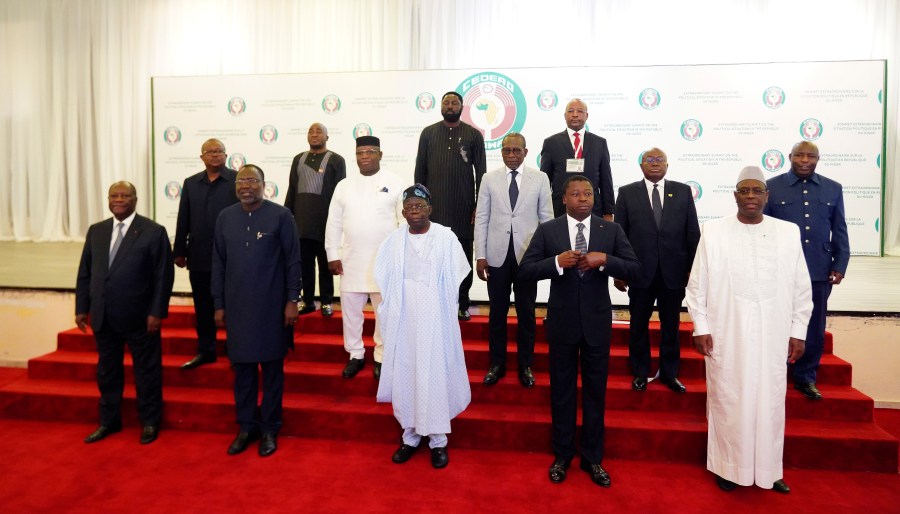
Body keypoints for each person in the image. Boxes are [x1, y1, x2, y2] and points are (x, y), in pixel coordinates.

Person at [686, 166, 812, 494]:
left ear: (767, 196)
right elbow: (697, 285)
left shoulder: (788, 232)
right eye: (745, 190)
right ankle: (729, 468)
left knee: (771, 400)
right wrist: (700, 326)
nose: (751, 196)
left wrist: (798, 330)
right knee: (729, 398)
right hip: (727, 332)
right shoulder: (713, 232)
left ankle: (770, 470)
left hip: (774, 332)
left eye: (757, 190)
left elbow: (801, 285)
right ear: (735, 196)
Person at [519, 176, 641, 488]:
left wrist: (607, 260)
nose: (583, 198)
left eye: (588, 193)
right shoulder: (549, 230)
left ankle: (592, 457)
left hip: (597, 325)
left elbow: (635, 269)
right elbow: (526, 272)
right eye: (576, 194)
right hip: (561, 324)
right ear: (564, 199)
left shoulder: (610, 230)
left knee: (595, 393)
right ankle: (562, 455)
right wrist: (556, 263)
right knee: (561, 393)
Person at [375, 184, 472, 469]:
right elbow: (384, 279)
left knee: (434, 374)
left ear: (430, 209)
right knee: (407, 372)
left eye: (419, 206)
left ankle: (439, 440)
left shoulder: (446, 237)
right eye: (409, 207)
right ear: (403, 212)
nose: (414, 211)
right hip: (404, 318)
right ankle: (410, 436)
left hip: (435, 318)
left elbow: (456, 276)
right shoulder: (393, 241)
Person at [212, 164, 301, 457]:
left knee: (273, 372)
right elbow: (219, 265)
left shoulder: (281, 216)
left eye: (252, 180)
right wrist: (218, 304)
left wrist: (292, 301)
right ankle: (247, 426)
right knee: (244, 373)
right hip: (237, 310)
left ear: (264, 184)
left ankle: (270, 428)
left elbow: (292, 261)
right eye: (241, 181)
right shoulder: (225, 218)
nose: (246, 185)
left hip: (273, 310)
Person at [76, 181, 175, 445]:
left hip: (141, 318)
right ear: (108, 199)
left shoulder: (153, 231)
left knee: (147, 372)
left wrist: (157, 312)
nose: (119, 199)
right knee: (107, 373)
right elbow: (86, 272)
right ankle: (109, 422)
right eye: (114, 195)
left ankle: (150, 422)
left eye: (125, 195)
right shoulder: (96, 231)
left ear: (135, 199)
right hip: (103, 315)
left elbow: (163, 276)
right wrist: (81, 308)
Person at [764, 141, 850, 401]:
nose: (804, 160)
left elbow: (840, 228)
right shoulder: (770, 186)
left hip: (817, 268)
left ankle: (805, 377)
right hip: (778, 270)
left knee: (813, 325)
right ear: (789, 157)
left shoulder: (833, 188)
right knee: (775, 322)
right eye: (799, 155)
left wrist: (840, 263)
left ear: (818, 159)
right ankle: (774, 374)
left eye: (810, 156)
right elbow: (762, 230)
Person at [614, 148, 700, 393]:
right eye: (649, 160)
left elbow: (692, 233)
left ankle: (670, 373)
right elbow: (619, 235)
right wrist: (619, 270)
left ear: (667, 165)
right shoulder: (628, 192)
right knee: (638, 324)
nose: (654, 163)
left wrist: (692, 270)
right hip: (639, 272)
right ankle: (641, 372)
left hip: (673, 273)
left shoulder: (682, 192)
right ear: (641, 165)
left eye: (659, 160)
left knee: (670, 325)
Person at [473, 133, 552, 387]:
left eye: (516, 151)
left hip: (528, 257)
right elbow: (482, 218)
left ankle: (525, 365)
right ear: (502, 152)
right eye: (507, 151)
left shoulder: (540, 179)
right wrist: (481, 255)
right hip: (496, 257)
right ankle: (497, 363)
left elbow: (547, 219)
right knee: (496, 313)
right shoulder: (488, 179)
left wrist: (543, 258)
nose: (511, 155)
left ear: (526, 152)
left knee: (527, 313)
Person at [325, 135, 404, 380]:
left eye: (370, 152)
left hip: (385, 260)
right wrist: (332, 254)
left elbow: (403, 222)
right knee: (350, 312)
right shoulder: (343, 185)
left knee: (384, 312)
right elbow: (333, 223)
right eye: (360, 153)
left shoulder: (396, 182)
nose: (365, 157)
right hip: (351, 260)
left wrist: (400, 256)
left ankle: (381, 357)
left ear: (380, 154)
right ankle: (356, 354)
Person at [414, 91, 486, 321]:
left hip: (463, 209)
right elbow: (420, 171)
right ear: (441, 106)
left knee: (462, 256)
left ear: (462, 107)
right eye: (446, 102)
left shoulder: (473, 135)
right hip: (433, 210)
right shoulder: (428, 133)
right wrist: (420, 203)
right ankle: (434, 301)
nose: (450, 105)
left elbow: (481, 172)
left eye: (454, 102)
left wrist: (479, 205)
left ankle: (462, 303)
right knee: (432, 257)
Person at [174, 139, 239, 370]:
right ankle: (206, 350)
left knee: (233, 305)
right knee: (203, 307)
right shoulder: (191, 183)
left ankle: (236, 351)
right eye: (210, 152)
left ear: (226, 155)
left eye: (219, 151)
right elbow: (184, 218)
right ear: (201, 156)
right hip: (199, 256)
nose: (215, 155)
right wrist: (179, 250)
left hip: (231, 257)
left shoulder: (236, 180)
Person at [284, 123, 346, 318]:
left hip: (326, 222)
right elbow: (292, 189)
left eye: (319, 131)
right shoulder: (298, 159)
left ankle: (327, 301)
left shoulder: (336, 160)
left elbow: (340, 193)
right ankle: (309, 301)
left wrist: (340, 219)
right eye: (310, 131)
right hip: (301, 223)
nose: (314, 134)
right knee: (305, 265)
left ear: (327, 137)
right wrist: (287, 216)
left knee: (326, 265)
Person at [539, 98, 615, 220]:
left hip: (593, 209)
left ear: (587, 115)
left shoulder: (599, 143)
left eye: (580, 111)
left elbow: (606, 181)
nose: (575, 114)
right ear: (565, 116)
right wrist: (543, 212)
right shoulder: (551, 143)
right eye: (571, 111)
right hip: (559, 209)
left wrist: (608, 212)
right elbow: (544, 181)